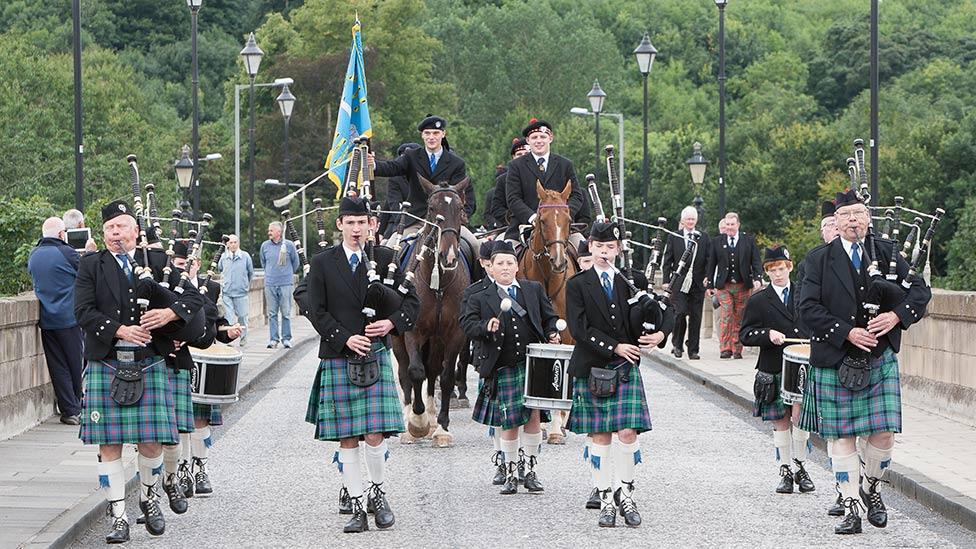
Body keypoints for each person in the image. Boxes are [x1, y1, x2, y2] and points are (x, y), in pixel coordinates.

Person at [798, 189, 931, 535]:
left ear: (868, 218)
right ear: (836, 222)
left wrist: (896, 316)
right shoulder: (817, 260)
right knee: (841, 437)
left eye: (858, 213)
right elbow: (807, 308)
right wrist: (846, 332)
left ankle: (871, 487)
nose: (853, 220)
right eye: (846, 215)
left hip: (879, 356)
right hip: (836, 356)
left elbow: (920, 292)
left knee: (884, 434)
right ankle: (851, 505)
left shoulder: (887, 253)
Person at [75, 200, 205, 543]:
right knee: (110, 442)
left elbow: (194, 299)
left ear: (136, 230)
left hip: (151, 360)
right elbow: (82, 312)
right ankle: (118, 515)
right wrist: (120, 330)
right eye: (109, 229)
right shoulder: (91, 265)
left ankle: (148, 497)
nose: (115, 234)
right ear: (104, 235)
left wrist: (170, 315)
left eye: (121, 227)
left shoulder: (158, 263)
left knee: (151, 442)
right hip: (107, 360)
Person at [305, 196, 420, 534]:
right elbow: (315, 309)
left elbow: (412, 302)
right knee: (348, 437)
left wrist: (392, 324)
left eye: (362, 223)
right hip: (340, 355)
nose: (357, 229)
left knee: (374, 434)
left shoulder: (385, 259)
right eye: (350, 223)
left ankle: (377, 493)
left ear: (371, 225)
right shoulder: (323, 262)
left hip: (376, 353)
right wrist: (344, 338)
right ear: (340, 224)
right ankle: (357, 504)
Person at [565, 220, 665, 528]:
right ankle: (606, 498)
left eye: (611, 247)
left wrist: (660, 332)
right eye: (599, 247)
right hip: (594, 365)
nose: (605, 252)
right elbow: (579, 329)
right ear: (590, 248)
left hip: (625, 370)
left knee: (628, 433)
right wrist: (616, 346)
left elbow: (662, 311)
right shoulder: (577, 284)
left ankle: (627, 494)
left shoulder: (630, 280)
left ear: (618, 249)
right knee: (601, 435)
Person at [460, 241, 561, 495]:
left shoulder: (532, 289)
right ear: (490, 268)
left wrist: (552, 333)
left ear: (517, 266)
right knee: (509, 421)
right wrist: (486, 327)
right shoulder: (479, 296)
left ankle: (531, 470)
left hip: (533, 363)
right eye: (499, 264)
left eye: (509, 263)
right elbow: (467, 324)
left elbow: (548, 317)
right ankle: (511, 470)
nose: (505, 268)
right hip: (502, 365)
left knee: (534, 417)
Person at [739, 245, 815, 495]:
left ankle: (801, 467)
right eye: (772, 270)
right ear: (767, 272)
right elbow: (745, 335)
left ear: (790, 267)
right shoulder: (759, 299)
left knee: (800, 417)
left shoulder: (806, 294)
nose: (777, 274)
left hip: (802, 364)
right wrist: (767, 334)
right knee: (780, 420)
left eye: (781, 268)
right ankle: (784, 471)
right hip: (773, 366)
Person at [370, 115, 480, 258]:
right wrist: (374, 165)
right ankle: (388, 281)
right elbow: (393, 167)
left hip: (447, 221)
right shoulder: (411, 156)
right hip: (416, 219)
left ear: (443, 134)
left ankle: (479, 280)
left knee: (476, 245)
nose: (431, 137)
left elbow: (459, 193)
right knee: (390, 249)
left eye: (435, 133)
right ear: (422, 135)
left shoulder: (456, 163)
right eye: (427, 133)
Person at [27, 217, 85, 425]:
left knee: (57, 365)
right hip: (69, 318)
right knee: (74, 363)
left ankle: (68, 408)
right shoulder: (68, 253)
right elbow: (86, 275)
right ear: (62, 234)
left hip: (47, 319)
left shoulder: (33, 255)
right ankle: (74, 407)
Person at [505, 119, 590, 246]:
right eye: (534, 137)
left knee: (584, 252)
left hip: (562, 228)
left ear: (550, 138)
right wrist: (532, 217)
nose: (539, 140)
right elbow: (513, 198)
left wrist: (562, 216)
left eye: (543, 136)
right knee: (503, 257)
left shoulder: (565, 164)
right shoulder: (516, 165)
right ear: (528, 141)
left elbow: (576, 196)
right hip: (524, 227)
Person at [705, 212, 763, 359]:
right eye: (727, 225)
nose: (729, 227)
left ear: (738, 225)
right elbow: (711, 264)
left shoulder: (748, 240)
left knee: (740, 317)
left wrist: (758, 278)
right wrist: (710, 285)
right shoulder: (717, 241)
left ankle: (737, 349)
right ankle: (725, 348)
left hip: (743, 285)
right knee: (727, 313)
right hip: (723, 286)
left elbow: (756, 261)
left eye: (732, 224)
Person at [663, 206, 711, 360]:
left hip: (697, 283)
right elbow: (668, 259)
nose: (690, 221)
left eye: (693, 219)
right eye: (688, 219)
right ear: (682, 221)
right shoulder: (674, 236)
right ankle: (677, 344)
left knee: (696, 316)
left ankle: (693, 349)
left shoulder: (704, 237)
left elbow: (709, 260)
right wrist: (665, 280)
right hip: (679, 283)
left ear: (696, 220)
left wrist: (707, 277)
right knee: (680, 312)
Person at [260, 222, 300, 348]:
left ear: (278, 232)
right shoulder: (265, 246)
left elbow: (296, 262)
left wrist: (286, 274)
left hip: (285, 284)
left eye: (271, 230)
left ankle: (287, 339)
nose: (269, 232)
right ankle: (273, 339)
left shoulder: (289, 245)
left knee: (286, 313)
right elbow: (263, 262)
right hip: (270, 284)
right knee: (272, 314)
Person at [218, 234, 253, 346]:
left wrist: (245, 285)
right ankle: (229, 338)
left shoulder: (245, 256)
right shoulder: (223, 257)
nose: (233, 244)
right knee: (228, 317)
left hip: (241, 292)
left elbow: (250, 273)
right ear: (227, 244)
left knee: (242, 316)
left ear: (238, 243)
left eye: (235, 242)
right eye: (230, 242)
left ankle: (244, 338)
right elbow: (220, 269)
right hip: (227, 292)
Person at [379, 142, 421, 239]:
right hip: (403, 224)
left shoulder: (428, 176)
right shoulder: (394, 179)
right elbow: (394, 207)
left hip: (428, 223)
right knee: (389, 247)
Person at [490, 137, 530, 229]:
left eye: (527, 154)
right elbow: (496, 209)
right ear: (513, 157)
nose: (523, 157)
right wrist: (514, 219)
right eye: (519, 154)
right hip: (512, 228)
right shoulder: (502, 180)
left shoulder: (542, 176)